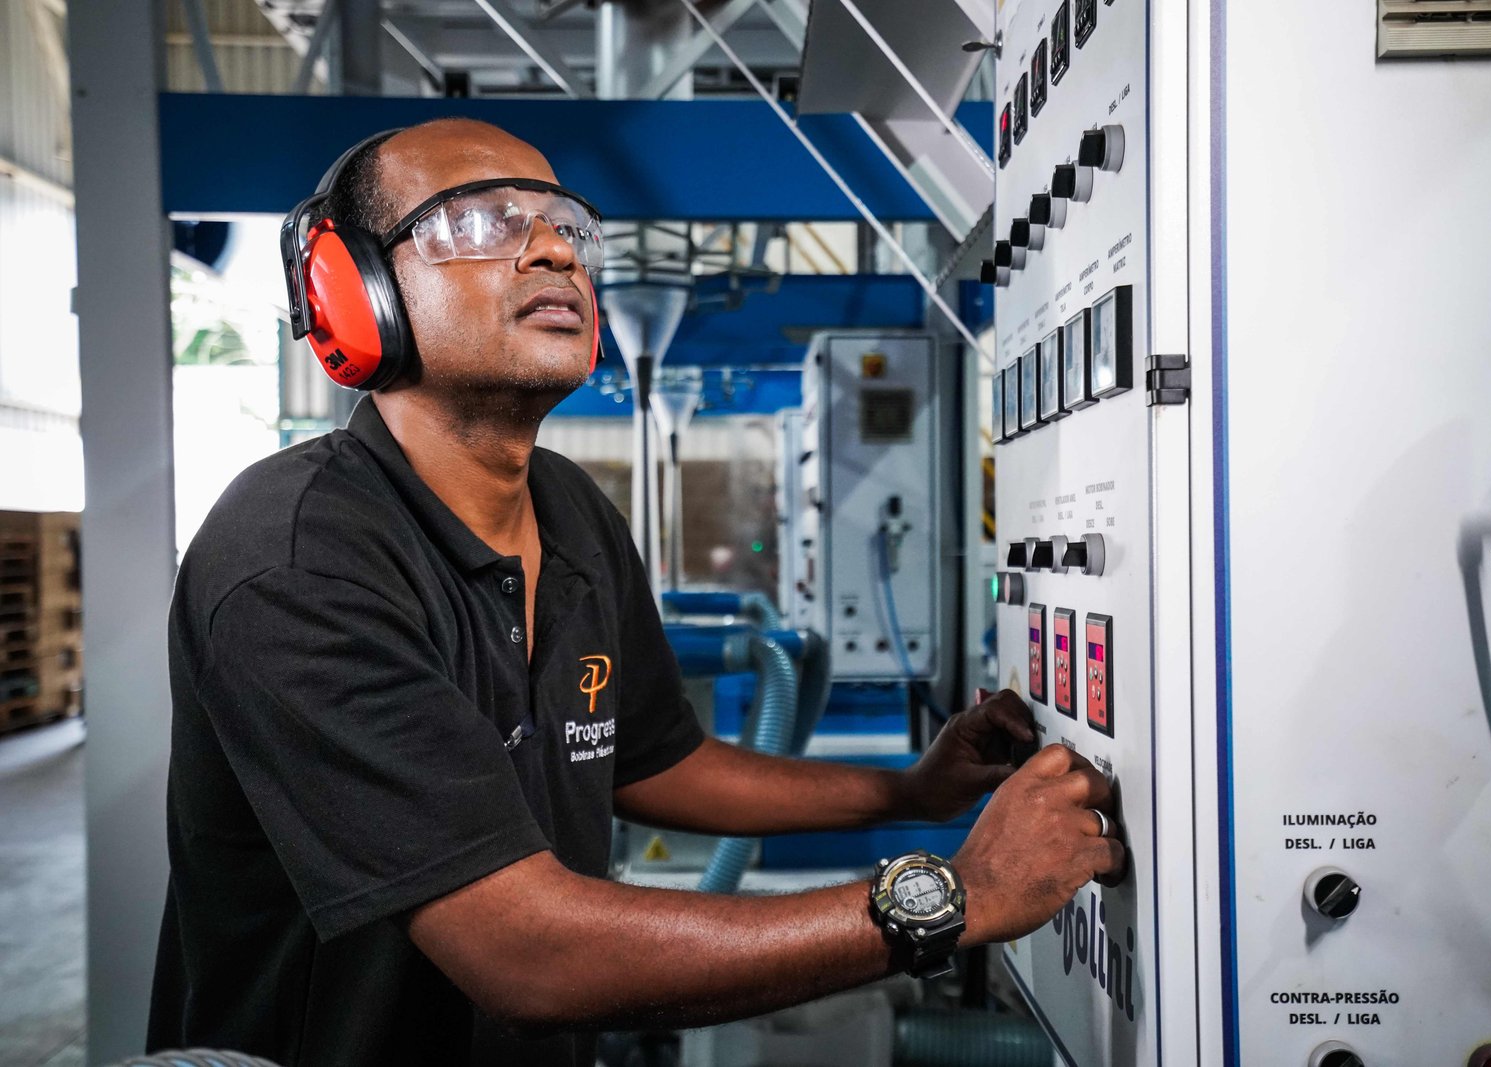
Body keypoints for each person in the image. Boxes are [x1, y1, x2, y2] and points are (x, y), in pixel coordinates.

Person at [148, 117, 1123, 1067]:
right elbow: (526, 950)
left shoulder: (568, 508)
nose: (554, 253)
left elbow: (655, 760)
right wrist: (958, 891)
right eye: (480, 221)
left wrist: (909, 789)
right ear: (353, 292)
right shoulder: (297, 559)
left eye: (568, 228)